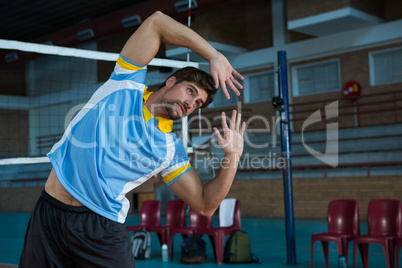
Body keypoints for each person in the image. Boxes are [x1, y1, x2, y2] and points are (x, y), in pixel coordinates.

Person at [19, 11, 245, 267]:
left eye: (197, 103)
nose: (190, 103)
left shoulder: (169, 149)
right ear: (171, 82)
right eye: (190, 91)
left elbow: (205, 205)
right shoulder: (125, 82)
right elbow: (157, 22)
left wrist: (232, 156)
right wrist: (213, 55)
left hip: (99, 229)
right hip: (47, 214)